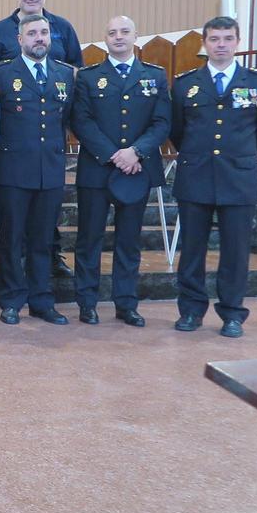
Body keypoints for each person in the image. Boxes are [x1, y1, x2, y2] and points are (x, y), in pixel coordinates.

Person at [171, 16, 257, 338]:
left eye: (227, 39)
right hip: (196, 176)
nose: (221, 45)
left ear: (237, 42)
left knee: (235, 251)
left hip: (238, 178)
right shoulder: (184, 84)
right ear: (204, 43)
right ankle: (191, 311)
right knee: (191, 251)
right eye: (214, 39)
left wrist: (237, 154)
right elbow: (177, 131)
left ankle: (232, 314)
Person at [0, 0, 83, 278]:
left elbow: (75, 76)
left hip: (49, 147)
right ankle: (13, 292)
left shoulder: (63, 27)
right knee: (13, 231)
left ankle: (51, 262)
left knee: (44, 225)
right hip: (13, 149)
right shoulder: (0, 31)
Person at [71, 16, 170, 327]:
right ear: (105, 39)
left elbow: (162, 122)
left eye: (124, 32)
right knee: (89, 239)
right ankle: (87, 303)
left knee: (129, 241)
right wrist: (115, 155)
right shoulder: (88, 77)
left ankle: (126, 303)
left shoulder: (154, 76)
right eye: (112, 32)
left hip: (136, 170)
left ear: (135, 36)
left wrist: (135, 152)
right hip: (98, 170)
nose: (118, 37)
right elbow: (81, 122)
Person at [0, 14, 75, 325]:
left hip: (50, 170)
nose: (39, 38)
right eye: (32, 33)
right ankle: (12, 300)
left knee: (42, 240)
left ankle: (42, 300)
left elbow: (65, 118)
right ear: (20, 39)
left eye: (43, 33)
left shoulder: (64, 74)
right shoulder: (1, 74)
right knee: (12, 238)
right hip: (12, 170)